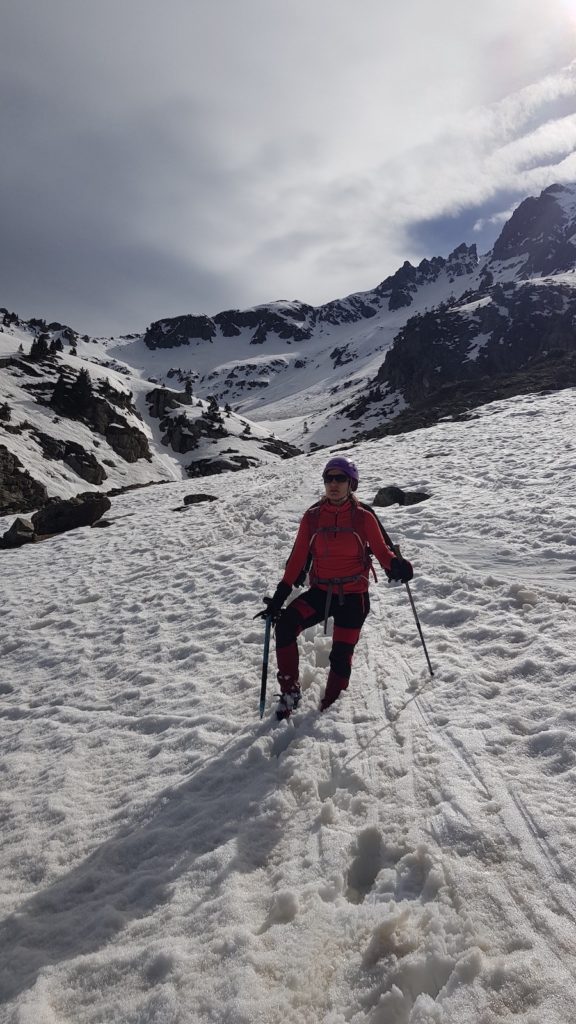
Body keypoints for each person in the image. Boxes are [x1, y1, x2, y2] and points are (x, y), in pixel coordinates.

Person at [256, 457, 414, 719]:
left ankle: (329, 709)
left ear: (351, 483)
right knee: (285, 626)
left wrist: (399, 565)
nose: (334, 484)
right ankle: (290, 692)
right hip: (320, 592)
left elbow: (382, 552)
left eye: (340, 478)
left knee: (341, 656)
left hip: (354, 598)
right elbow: (297, 559)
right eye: (329, 478)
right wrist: (280, 596)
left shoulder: (363, 517)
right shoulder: (313, 517)